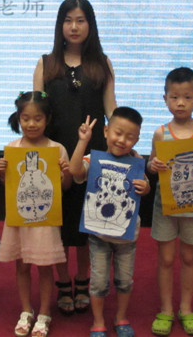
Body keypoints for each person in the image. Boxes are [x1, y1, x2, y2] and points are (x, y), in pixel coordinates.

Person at [33, 0, 117, 316]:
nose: (74, 26)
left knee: (85, 226)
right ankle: (63, 282)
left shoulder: (102, 63)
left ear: (90, 25)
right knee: (57, 224)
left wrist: (125, 138)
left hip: (92, 157)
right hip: (53, 157)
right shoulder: (46, 63)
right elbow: (35, 111)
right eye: (68, 20)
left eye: (81, 20)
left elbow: (111, 109)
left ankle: (83, 279)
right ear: (60, 25)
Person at [147, 68, 193, 336]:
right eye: (175, 97)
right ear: (165, 98)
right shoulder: (160, 133)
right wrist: (153, 165)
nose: (181, 103)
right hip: (165, 205)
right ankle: (166, 309)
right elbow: (151, 163)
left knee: (189, 256)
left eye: (187, 97)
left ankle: (186, 308)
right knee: (166, 258)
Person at [69, 107, 151, 337]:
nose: (122, 140)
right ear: (106, 131)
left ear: (137, 140)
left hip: (126, 236)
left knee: (124, 280)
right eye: (118, 133)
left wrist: (146, 188)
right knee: (98, 282)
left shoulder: (136, 161)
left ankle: (121, 317)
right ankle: (98, 321)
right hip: (98, 236)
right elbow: (75, 170)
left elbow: (144, 187)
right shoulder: (93, 159)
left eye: (130, 136)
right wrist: (82, 141)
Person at [0, 91, 72, 337]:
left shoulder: (56, 149)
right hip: (19, 219)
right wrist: (1, 171)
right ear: (18, 118)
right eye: (26, 118)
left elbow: (65, 187)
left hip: (45, 220)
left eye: (37, 118)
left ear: (47, 119)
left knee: (45, 267)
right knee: (21, 265)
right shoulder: (12, 148)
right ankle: (26, 310)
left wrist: (65, 172)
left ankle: (44, 313)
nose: (31, 124)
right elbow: (9, 185)